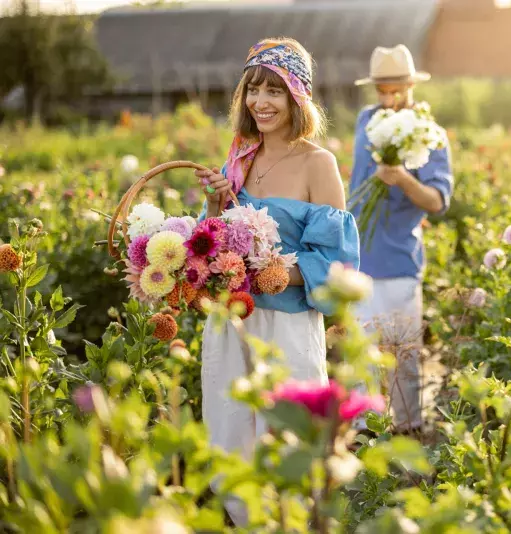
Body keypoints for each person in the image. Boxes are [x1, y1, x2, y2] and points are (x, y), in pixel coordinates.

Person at [195, 37, 359, 525]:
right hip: (233, 324)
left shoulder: (318, 164)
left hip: (287, 326)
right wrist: (212, 208)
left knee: (291, 436)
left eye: (275, 91)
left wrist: (277, 275)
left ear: (297, 97)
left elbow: (337, 258)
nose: (260, 103)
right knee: (230, 431)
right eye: (253, 90)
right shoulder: (238, 162)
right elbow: (212, 243)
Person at [349, 45, 453, 434]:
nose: (389, 99)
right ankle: (362, 433)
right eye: (382, 91)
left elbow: (438, 202)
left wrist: (402, 179)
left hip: (398, 262)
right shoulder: (364, 120)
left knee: (402, 356)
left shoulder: (430, 134)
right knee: (359, 355)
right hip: (358, 256)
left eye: (397, 90)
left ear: (411, 85)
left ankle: (408, 431)